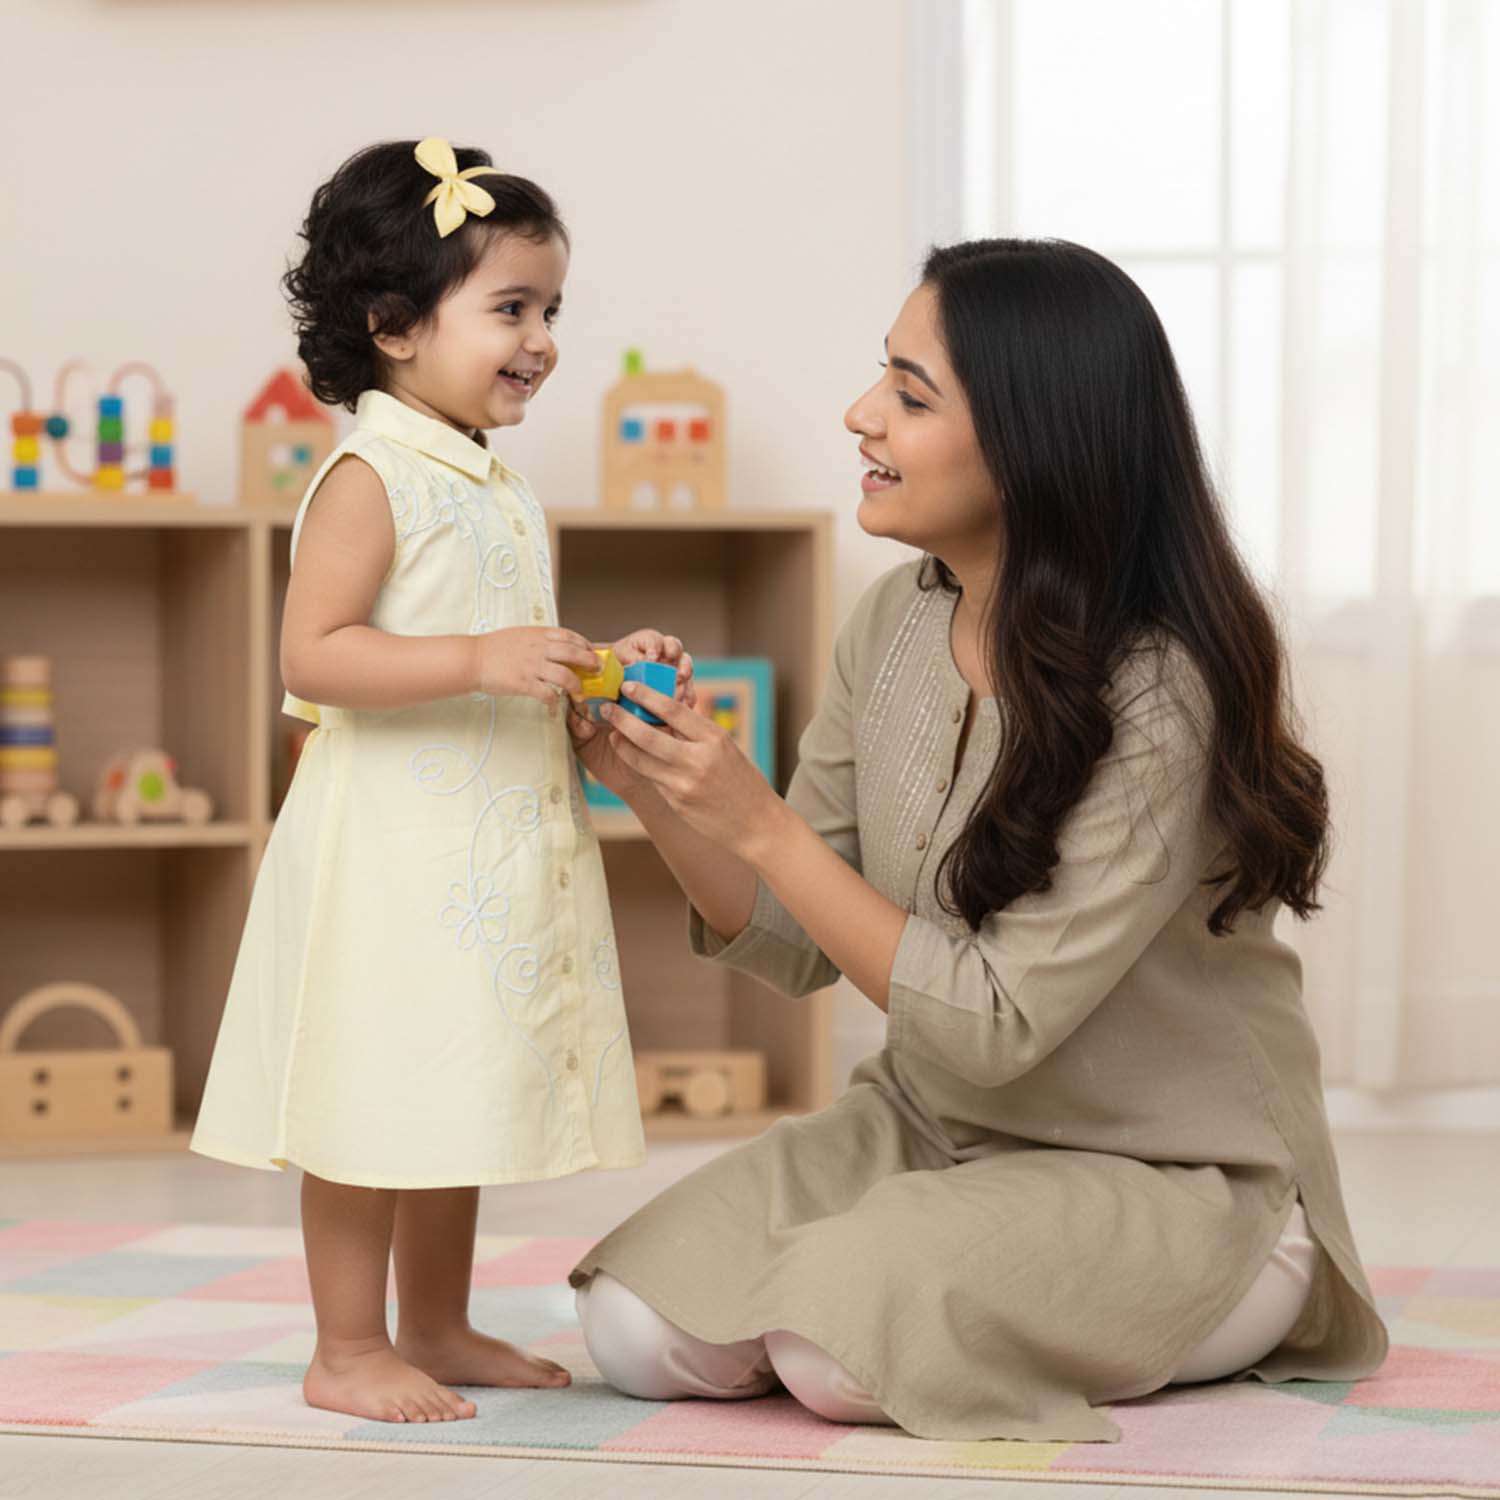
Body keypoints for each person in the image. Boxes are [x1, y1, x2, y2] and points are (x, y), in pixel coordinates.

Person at [564, 238, 1389, 1442]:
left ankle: (1223, 1288)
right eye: (878, 380)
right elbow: (796, 941)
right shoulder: (893, 619)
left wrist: (761, 820)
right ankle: (920, 1274)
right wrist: (658, 785)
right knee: (635, 1323)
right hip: (934, 1129)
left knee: (835, 1344)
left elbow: (998, 1024)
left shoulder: (1163, 690)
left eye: (909, 394)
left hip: (1174, 1178)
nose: (861, 415)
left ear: (1031, 440)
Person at [191, 138, 692, 1426]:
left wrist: (592, 668)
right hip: (392, 853)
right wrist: (478, 654)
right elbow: (316, 653)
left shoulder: (495, 482)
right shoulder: (371, 475)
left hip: (476, 847)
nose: (541, 339)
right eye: (511, 308)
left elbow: (493, 647)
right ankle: (346, 1346)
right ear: (395, 326)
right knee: (376, 1084)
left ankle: (439, 1321)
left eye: (551, 311)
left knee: (451, 1077)